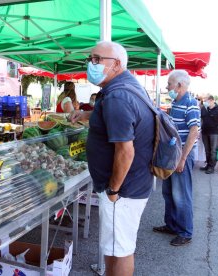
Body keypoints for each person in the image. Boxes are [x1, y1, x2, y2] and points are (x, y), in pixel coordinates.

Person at [70, 41, 154, 276]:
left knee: (121, 251)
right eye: (90, 59)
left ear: (116, 64)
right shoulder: (126, 86)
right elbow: (119, 118)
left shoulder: (117, 96)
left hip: (123, 190)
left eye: (97, 59)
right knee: (115, 246)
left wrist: (113, 190)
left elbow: (126, 152)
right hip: (131, 185)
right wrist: (87, 114)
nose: (91, 64)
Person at [153, 70, 200, 246]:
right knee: (169, 192)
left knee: (181, 195)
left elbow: (194, 132)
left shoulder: (191, 103)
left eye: (169, 84)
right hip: (173, 155)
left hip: (182, 157)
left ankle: (185, 232)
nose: (167, 87)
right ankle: (171, 225)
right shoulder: (176, 101)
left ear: (179, 85)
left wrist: (182, 159)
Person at [200, 94, 218, 174]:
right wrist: (199, 130)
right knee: (207, 150)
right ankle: (208, 165)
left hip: (215, 133)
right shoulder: (204, 109)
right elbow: (201, 120)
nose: (204, 102)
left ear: (211, 100)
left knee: (213, 150)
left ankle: (211, 167)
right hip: (205, 132)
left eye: (205, 100)